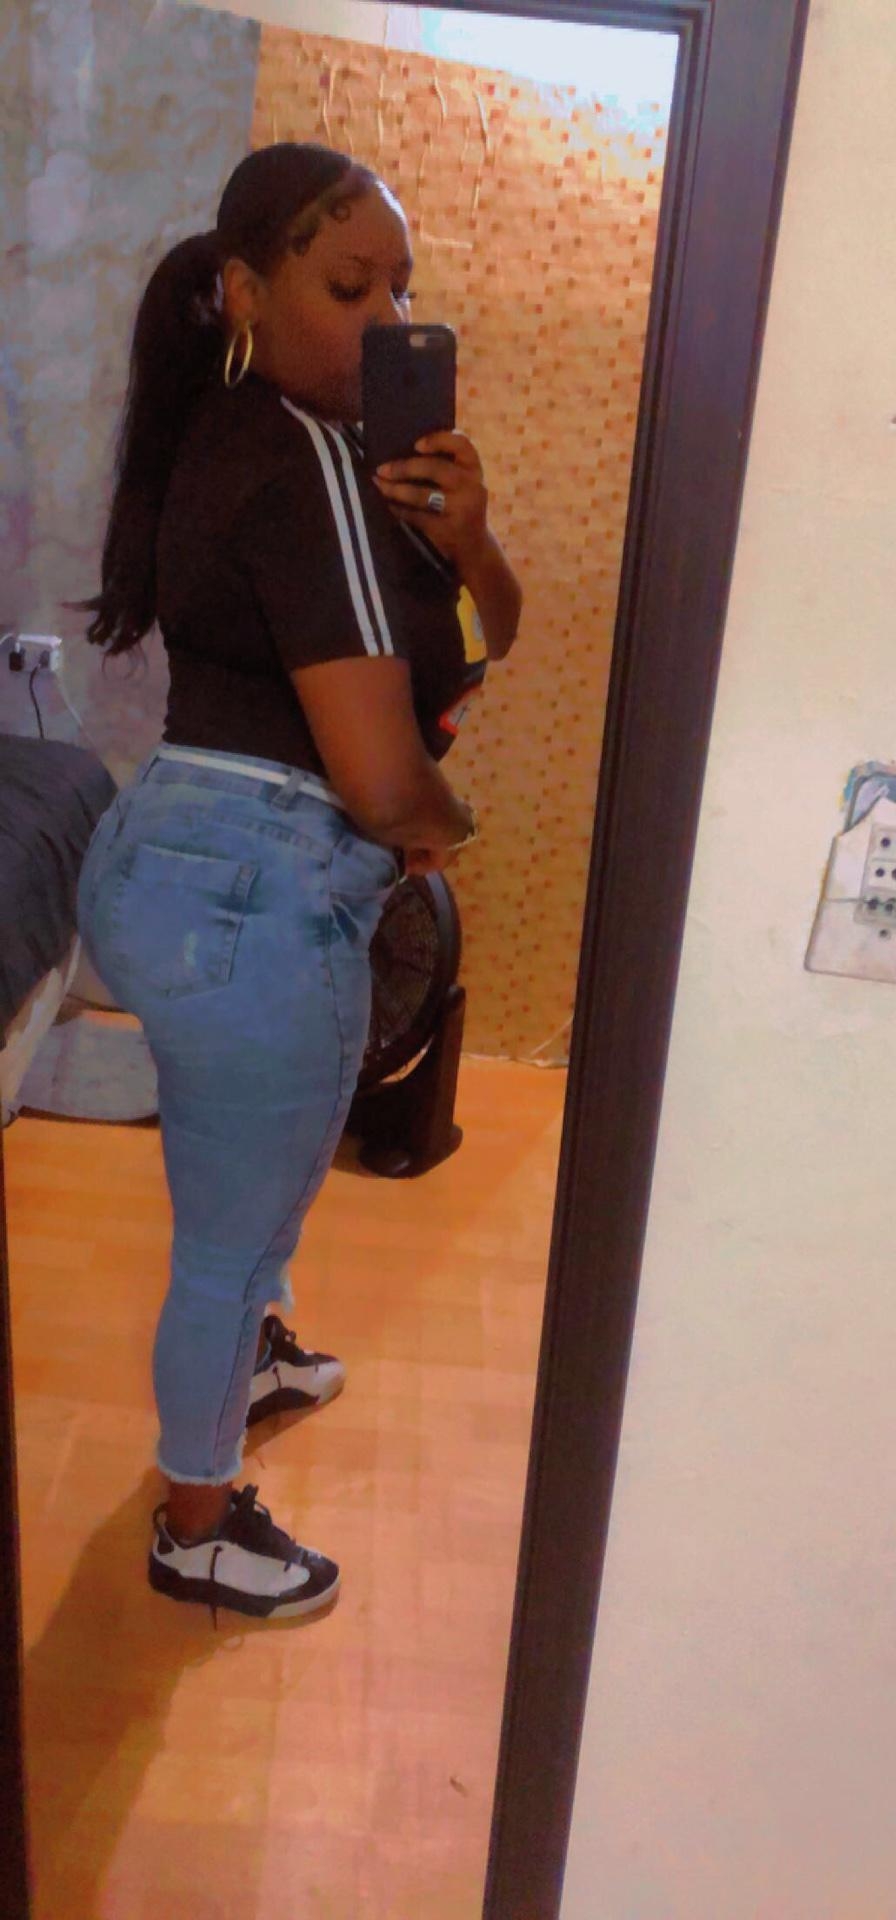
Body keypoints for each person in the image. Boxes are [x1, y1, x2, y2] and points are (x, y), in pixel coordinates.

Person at [70, 141, 522, 1625]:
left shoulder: (263, 444)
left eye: (402, 288)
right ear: (248, 291)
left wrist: (469, 544)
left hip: (199, 864)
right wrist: (439, 832)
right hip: (258, 885)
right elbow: (384, 779)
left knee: (249, 1183)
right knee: (222, 1236)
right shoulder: (300, 458)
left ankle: (251, 1356)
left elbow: (485, 634)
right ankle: (195, 1526)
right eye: (349, 287)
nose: (389, 320)